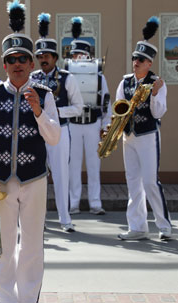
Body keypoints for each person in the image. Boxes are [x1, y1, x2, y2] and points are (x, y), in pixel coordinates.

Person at [0, 0, 60, 303]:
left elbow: (55, 137)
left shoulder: (45, 95)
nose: (18, 64)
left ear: (32, 64)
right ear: (4, 65)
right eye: (12, 59)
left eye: (23, 58)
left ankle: (28, 299)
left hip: (34, 179)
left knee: (32, 246)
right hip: (1, 180)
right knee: (4, 245)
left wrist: (37, 111)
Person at [115, 17, 171, 240]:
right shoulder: (125, 82)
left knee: (149, 181)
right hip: (128, 137)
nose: (135, 62)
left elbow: (158, 113)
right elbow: (118, 108)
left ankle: (164, 225)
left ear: (149, 63)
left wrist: (155, 94)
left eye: (140, 60)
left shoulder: (157, 82)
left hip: (148, 135)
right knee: (133, 182)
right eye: (134, 58)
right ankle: (137, 227)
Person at [31, 12, 84, 232]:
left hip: (60, 132)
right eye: (40, 55)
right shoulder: (32, 78)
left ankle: (65, 219)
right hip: (36, 134)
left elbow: (79, 108)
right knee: (36, 178)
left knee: (61, 176)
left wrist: (54, 112)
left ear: (55, 57)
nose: (43, 59)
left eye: (47, 56)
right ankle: (38, 219)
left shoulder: (67, 78)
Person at [67, 17, 111, 216]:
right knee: (73, 165)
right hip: (74, 123)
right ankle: (73, 202)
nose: (78, 58)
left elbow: (105, 101)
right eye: (75, 54)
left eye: (81, 54)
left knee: (94, 165)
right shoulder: (67, 75)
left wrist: (105, 124)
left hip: (93, 122)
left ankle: (95, 202)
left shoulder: (99, 77)